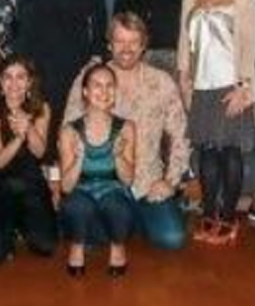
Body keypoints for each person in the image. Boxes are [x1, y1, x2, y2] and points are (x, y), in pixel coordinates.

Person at [65, 13, 189, 250]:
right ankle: (120, 223)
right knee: (88, 243)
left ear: (143, 45)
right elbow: (68, 130)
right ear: (109, 44)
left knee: (172, 238)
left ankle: (131, 221)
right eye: (120, 41)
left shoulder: (161, 82)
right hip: (101, 183)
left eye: (133, 42)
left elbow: (180, 135)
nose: (126, 49)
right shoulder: (90, 78)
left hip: (147, 183)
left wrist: (170, 181)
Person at [178, 0, 255, 245]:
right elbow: (184, 41)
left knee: (230, 152)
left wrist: (244, 87)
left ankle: (228, 217)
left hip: (232, 85)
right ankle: (209, 214)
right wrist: (184, 77)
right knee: (207, 151)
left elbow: (250, 46)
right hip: (201, 85)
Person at [13, 0, 107, 155]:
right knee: (33, 123)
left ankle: (62, 173)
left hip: (72, 63)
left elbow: (99, 20)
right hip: (32, 61)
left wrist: (97, 57)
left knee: (67, 124)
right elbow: (11, 16)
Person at [59, 64, 136, 277]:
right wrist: (79, 158)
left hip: (114, 189)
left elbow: (128, 180)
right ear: (85, 91)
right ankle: (77, 247)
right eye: (97, 86)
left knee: (118, 206)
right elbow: (66, 187)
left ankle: (118, 247)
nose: (104, 92)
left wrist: (118, 155)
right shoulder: (69, 130)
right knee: (77, 205)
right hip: (80, 189)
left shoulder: (126, 127)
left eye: (110, 86)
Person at [0, 57, 57, 259]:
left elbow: (39, 152)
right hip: (0, 181)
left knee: (46, 247)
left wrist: (28, 126)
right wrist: (18, 138)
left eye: (21, 77)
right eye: (8, 77)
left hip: (31, 180)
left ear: (30, 81)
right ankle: (9, 228)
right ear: (0, 80)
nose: (14, 83)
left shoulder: (42, 107)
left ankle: (24, 225)